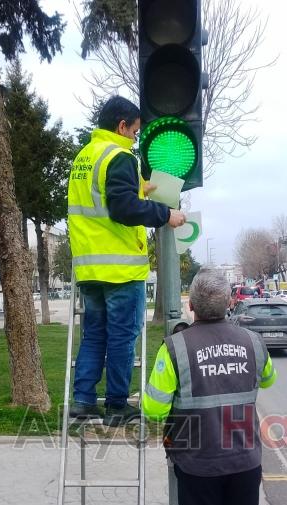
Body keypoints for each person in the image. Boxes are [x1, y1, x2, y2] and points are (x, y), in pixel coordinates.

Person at [142, 268, 277, 505]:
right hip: (245, 464)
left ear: (192, 307)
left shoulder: (175, 347)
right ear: (231, 302)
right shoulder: (253, 342)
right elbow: (269, 379)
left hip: (198, 467)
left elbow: (154, 409)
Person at [67, 95, 186, 426]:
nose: (135, 137)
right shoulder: (119, 156)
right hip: (119, 270)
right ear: (121, 126)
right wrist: (166, 214)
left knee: (94, 335)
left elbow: (105, 201)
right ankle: (117, 405)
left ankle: (83, 401)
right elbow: (122, 209)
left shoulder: (86, 157)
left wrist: (141, 189)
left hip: (90, 268)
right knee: (122, 337)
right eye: (134, 131)